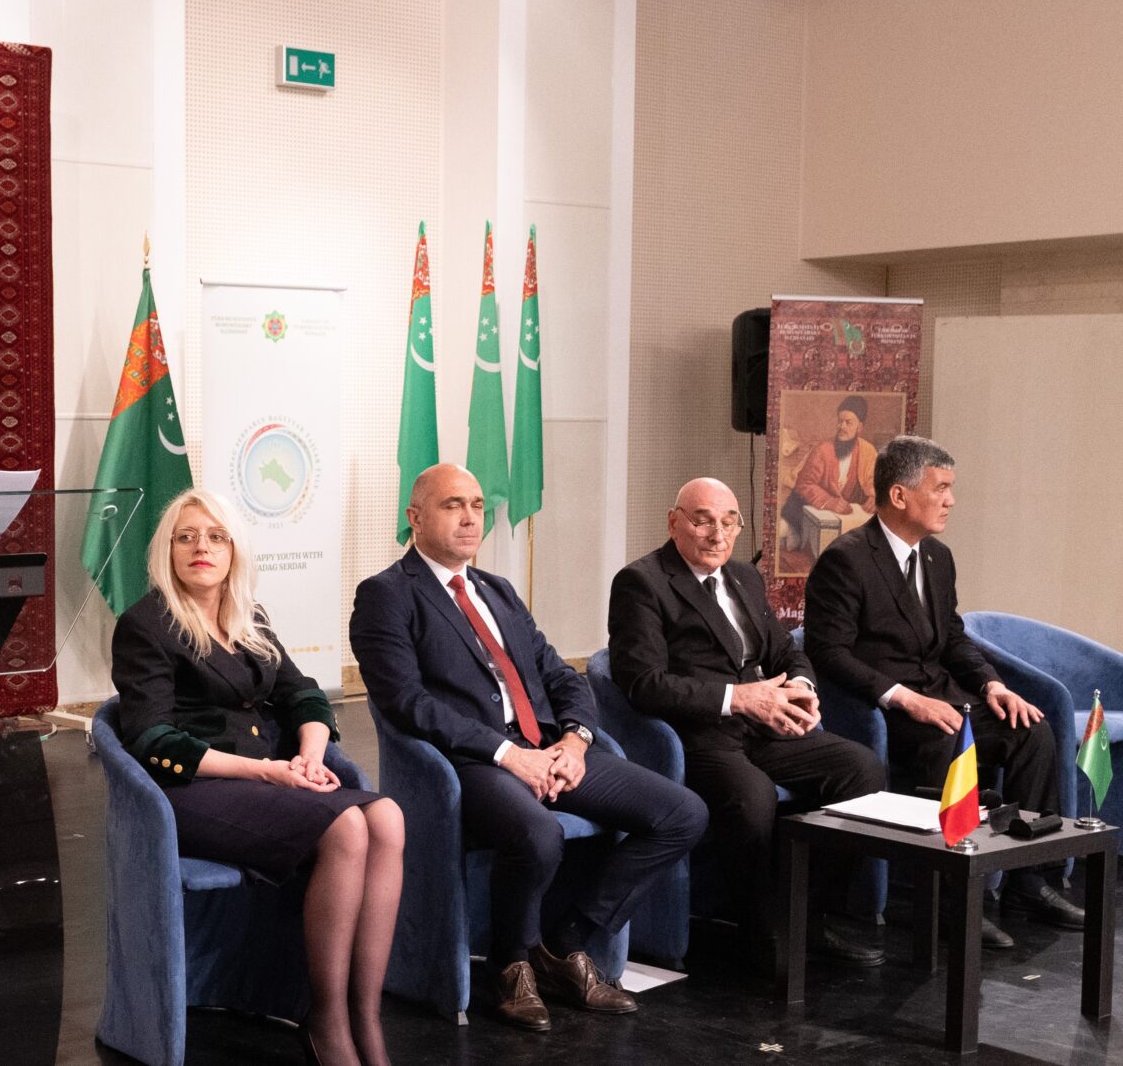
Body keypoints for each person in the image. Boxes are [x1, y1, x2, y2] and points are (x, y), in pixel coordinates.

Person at [350, 464, 705, 1032]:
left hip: (548, 748)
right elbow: (407, 703)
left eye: (477, 505)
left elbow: (560, 675)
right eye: (452, 505)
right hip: (470, 763)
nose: (470, 518)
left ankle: (566, 943)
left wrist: (575, 740)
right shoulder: (386, 595)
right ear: (414, 517)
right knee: (539, 834)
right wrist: (506, 754)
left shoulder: (498, 590)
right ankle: (510, 965)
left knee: (682, 813)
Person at [114, 489, 403, 1066]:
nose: (201, 547)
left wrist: (312, 756)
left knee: (388, 818)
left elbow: (304, 696)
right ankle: (325, 1019)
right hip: (192, 791)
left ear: (234, 551)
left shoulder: (251, 616)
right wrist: (267, 772)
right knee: (348, 826)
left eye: (215, 537)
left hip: (267, 779)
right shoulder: (145, 624)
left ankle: (365, 1014)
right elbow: (152, 740)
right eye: (186, 537)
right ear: (167, 551)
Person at [803, 434, 1084, 948]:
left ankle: (1029, 881)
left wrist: (993, 684)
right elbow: (828, 652)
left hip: (946, 696)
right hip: (884, 711)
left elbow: (952, 637)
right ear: (899, 495)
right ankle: (948, 904)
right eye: (941, 488)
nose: (951, 500)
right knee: (948, 746)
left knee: (1031, 731)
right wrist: (903, 697)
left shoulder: (938, 556)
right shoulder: (846, 559)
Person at [607, 477, 884, 968]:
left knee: (862, 771)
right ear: (674, 523)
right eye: (703, 521)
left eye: (729, 521)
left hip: (765, 725)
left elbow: (785, 651)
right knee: (752, 797)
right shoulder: (641, 583)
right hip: (696, 735)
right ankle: (762, 934)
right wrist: (738, 699)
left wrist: (802, 688)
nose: (718, 534)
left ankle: (806, 916)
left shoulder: (743, 577)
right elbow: (643, 682)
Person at [780, 394, 876, 551]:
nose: (842, 426)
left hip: (848, 510)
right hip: (814, 505)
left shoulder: (868, 450)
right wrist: (829, 502)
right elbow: (804, 483)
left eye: (848, 422)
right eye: (840, 421)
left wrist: (874, 496)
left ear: (860, 427)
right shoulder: (822, 449)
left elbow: (875, 480)